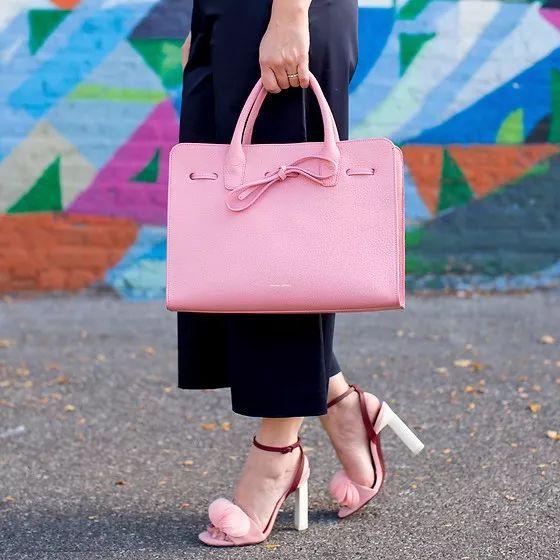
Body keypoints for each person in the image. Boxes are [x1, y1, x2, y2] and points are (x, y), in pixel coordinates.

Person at [176, 0, 423, 547]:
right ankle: (342, 405)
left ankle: (277, 454)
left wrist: (289, 15)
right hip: (226, 16)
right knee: (235, 243)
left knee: (284, 253)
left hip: (282, 12)